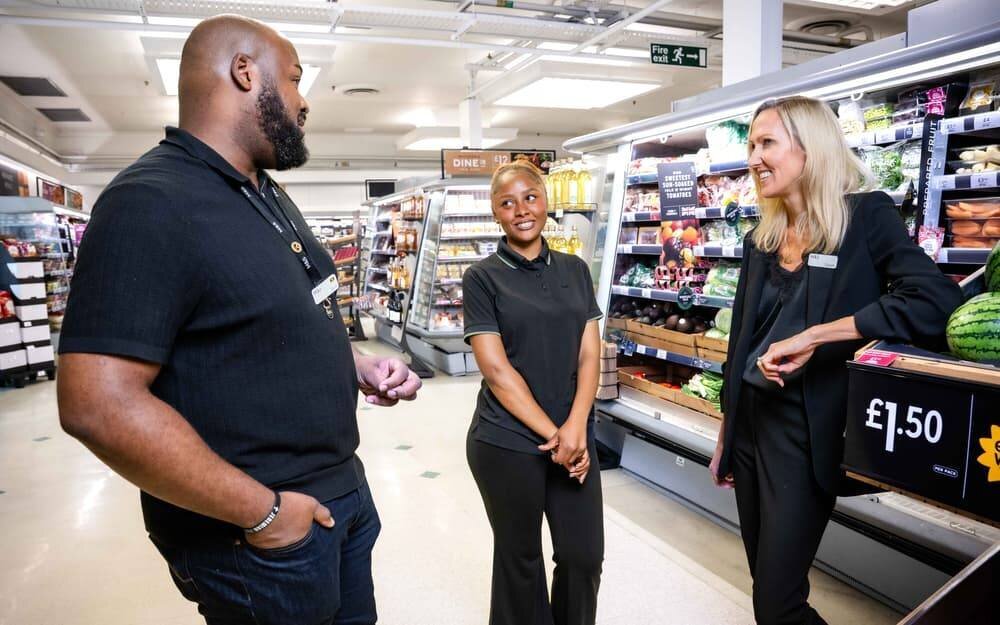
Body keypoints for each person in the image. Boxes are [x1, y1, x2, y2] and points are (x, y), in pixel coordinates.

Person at [56, 15, 421, 625]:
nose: (304, 103)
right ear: (244, 72)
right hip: (260, 541)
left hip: (342, 500)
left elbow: (279, 314)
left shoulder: (264, 191)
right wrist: (267, 514)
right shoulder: (151, 201)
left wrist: (356, 363)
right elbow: (97, 404)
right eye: (297, 80)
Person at [709, 96, 962, 625]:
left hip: (807, 433)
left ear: (810, 149)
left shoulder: (865, 217)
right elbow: (741, 346)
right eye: (752, 144)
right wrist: (726, 433)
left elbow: (935, 299)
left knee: (777, 606)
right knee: (769, 590)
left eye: (766, 143)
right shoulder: (763, 235)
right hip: (753, 427)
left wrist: (820, 336)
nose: (754, 157)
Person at [463, 159, 605, 625]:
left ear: (546, 202)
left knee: (583, 556)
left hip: (573, 436)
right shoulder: (482, 278)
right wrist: (556, 435)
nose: (521, 209)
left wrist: (577, 425)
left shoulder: (575, 269)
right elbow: (497, 370)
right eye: (507, 202)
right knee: (521, 562)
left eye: (530, 197)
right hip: (506, 441)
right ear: (495, 213)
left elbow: (589, 355)